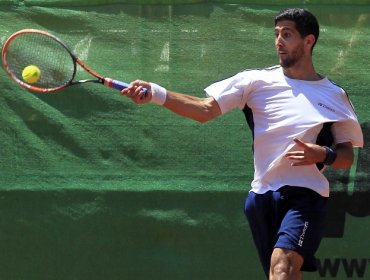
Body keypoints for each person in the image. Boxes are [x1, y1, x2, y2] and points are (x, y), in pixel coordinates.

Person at [121, 8, 363, 280]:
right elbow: (204, 109)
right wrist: (156, 93)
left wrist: (324, 153)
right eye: (276, 34)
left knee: (282, 266)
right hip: (261, 197)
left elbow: (346, 156)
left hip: (306, 195)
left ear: (309, 41)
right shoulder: (254, 82)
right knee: (281, 273)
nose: (278, 41)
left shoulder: (334, 95)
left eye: (287, 34)